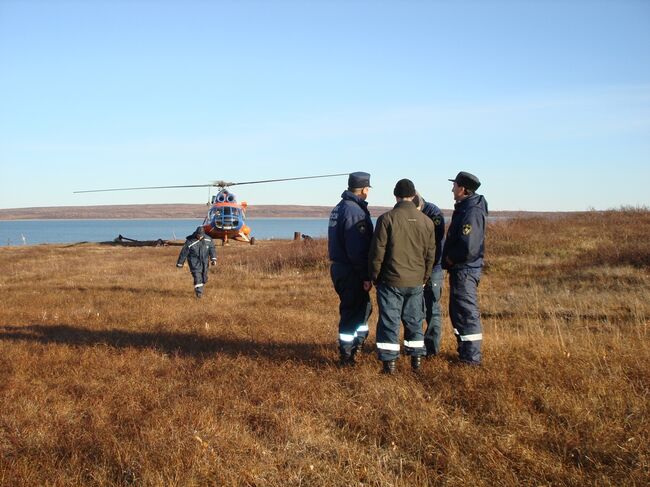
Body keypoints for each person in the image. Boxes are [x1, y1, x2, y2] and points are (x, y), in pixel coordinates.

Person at [369, 179, 435, 374]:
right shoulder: (427, 221)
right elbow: (431, 254)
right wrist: (425, 277)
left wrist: (375, 276)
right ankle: (416, 361)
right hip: (416, 281)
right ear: (414, 195)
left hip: (390, 280)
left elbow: (377, 252)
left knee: (390, 321)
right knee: (415, 320)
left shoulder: (387, 219)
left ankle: (390, 365)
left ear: (395, 195)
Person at [441, 171, 488, 365]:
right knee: (458, 311)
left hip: (465, 270)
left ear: (463, 189)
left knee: (466, 312)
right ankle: (465, 352)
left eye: (455, 185)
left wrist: (451, 259)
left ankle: (471, 359)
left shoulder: (472, 212)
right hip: (461, 270)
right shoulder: (466, 208)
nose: (452, 188)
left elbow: (469, 246)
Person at [328, 171, 374, 367]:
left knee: (362, 309)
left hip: (340, 268)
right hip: (351, 271)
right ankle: (347, 355)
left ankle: (356, 345)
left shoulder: (339, 208)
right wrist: (365, 275)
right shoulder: (354, 211)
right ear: (364, 189)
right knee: (352, 312)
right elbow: (356, 249)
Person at [413, 192, 446, 357]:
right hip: (416, 269)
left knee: (432, 309)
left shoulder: (434, 213)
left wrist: (429, 267)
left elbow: (436, 244)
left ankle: (432, 348)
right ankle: (418, 346)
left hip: (433, 269)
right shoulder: (410, 213)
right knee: (417, 309)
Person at [176, 226, 217, 298]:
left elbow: (212, 249)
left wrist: (213, 259)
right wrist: (180, 263)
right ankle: (199, 294)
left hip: (205, 261)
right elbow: (184, 252)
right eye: (198, 235)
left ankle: (200, 286)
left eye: (201, 235)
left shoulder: (208, 239)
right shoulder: (190, 241)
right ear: (196, 234)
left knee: (204, 278)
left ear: (203, 234)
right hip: (194, 262)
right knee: (197, 276)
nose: (199, 237)